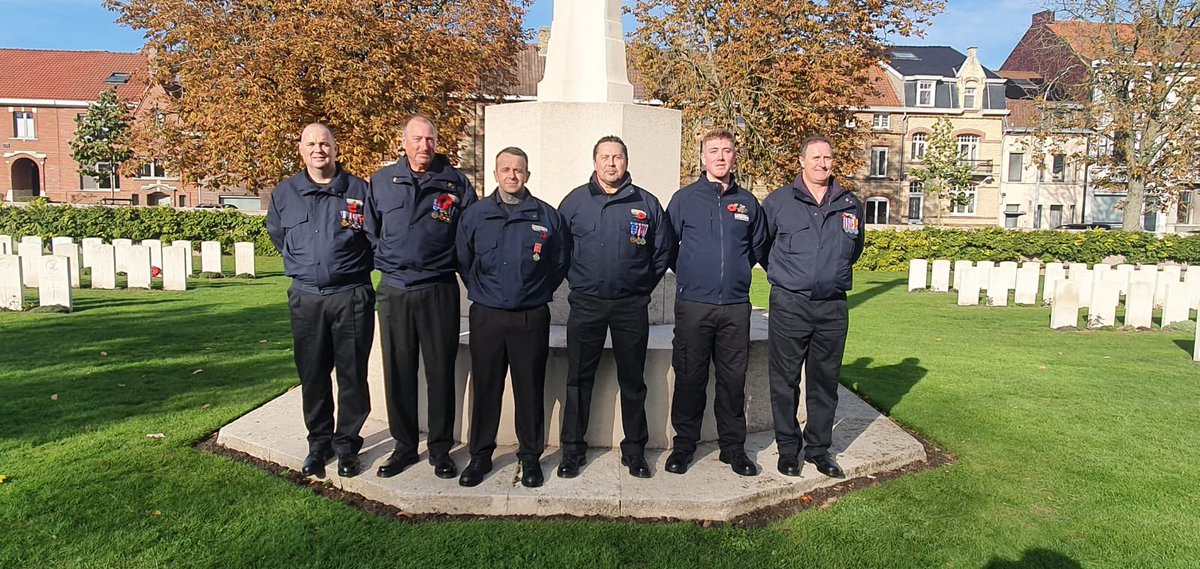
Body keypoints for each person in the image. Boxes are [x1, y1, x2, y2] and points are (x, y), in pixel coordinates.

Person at [364, 114, 477, 479]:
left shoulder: (456, 183)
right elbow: (369, 231)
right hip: (395, 289)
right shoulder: (381, 182)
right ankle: (404, 446)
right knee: (399, 370)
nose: (423, 145)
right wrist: (393, 259)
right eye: (417, 139)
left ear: (437, 140)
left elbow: (470, 234)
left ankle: (441, 449)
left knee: (440, 370)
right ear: (404, 142)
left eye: (429, 139)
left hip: (438, 289)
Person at [556, 135, 674, 479]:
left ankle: (635, 451)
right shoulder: (575, 202)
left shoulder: (646, 203)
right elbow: (559, 249)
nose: (611, 163)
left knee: (633, 379)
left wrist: (640, 286)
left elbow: (662, 251)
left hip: (630, 306)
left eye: (617, 157)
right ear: (595, 162)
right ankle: (572, 451)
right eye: (605, 157)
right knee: (578, 379)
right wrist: (578, 280)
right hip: (587, 304)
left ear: (626, 161)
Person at [455, 147, 569, 488]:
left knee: (529, 388)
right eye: (506, 169)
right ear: (496, 173)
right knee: (486, 387)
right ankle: (480, 456)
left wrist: (535, 292)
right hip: (487, 315)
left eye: (518, 169)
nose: (512, 175)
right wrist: (483, 291)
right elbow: (463, 258)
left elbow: (559, 262)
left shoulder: (547, 216)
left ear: (528, 175)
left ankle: (530, 458)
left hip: (530, 316)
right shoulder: (476, 215)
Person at [265, 123, 375, 479]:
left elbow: (374, 239)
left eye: (324, 143)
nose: (318, 150)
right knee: (312, 373)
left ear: (335, 148)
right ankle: (319, 444)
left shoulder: (359, 190)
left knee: (352, 374)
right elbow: (279, 235)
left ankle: (346, 446)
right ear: (301, 150)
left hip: (351, 295)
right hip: (307, 297)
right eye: (311, 144)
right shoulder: (285, 193)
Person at [664, 128, 767, 477]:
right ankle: (684, 446)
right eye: (713, 151)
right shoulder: (683, 200)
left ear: (734, 156)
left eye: (726, 150)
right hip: (694, 305)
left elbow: (758, 248)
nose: (720, 157)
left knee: (732, 380)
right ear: (702, 157)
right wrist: (694, 275)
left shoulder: (749, 203)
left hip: (736, 307)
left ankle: (733, 449)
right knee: (690, 377)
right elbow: (668, 248)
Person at [762, 135, 865, 479]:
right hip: (790, 304)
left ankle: (819, 450)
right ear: (801, 161)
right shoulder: (779, 202)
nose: (823, 163)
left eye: (828, 157)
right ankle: (789, 450)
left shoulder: (849, 204)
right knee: (785, 381)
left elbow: (854, 249)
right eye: (816, 157)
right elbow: (762, 248)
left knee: (825, 382)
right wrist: (792, 276)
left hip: (832, 306)